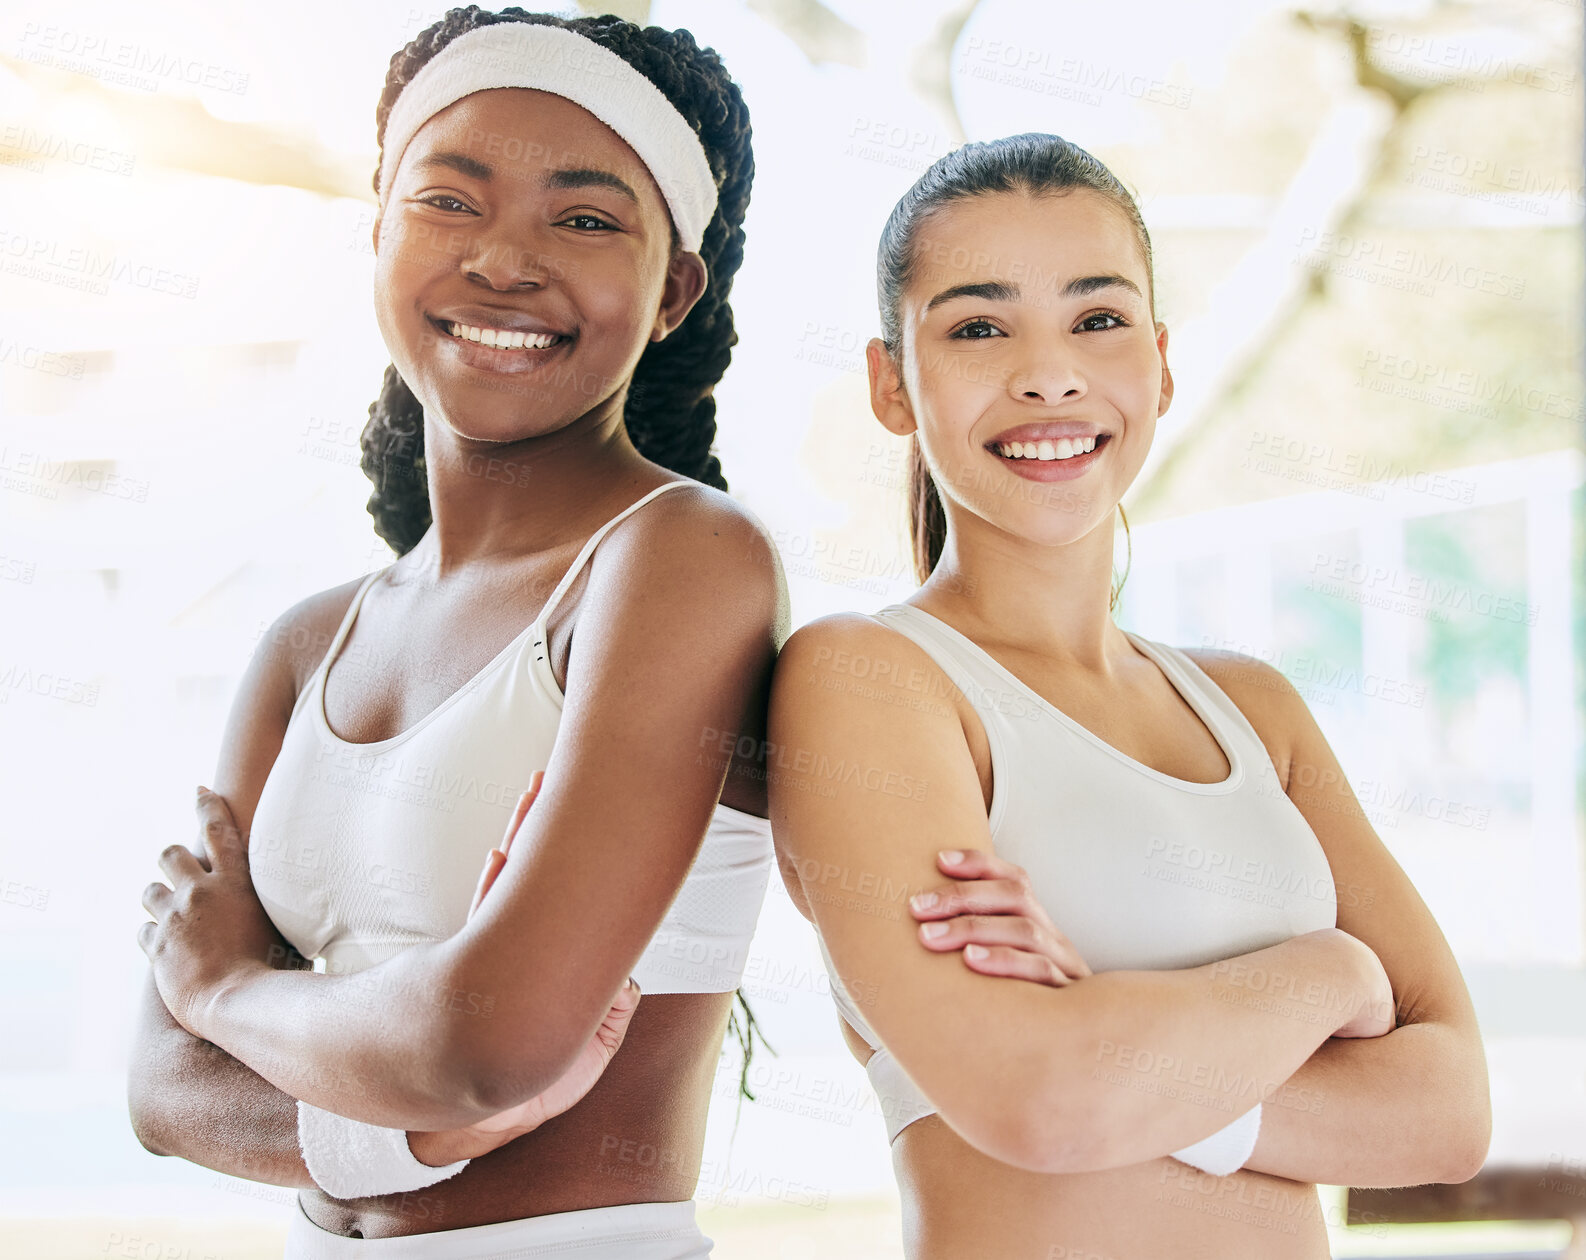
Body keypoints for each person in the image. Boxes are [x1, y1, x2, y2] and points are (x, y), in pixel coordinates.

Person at [128, 9, 787, 1258]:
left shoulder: (679, 560)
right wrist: (410, 1112)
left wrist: (223, 989)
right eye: (448, 202)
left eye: (584, 220)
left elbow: (488, 1045)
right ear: (374, 233)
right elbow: (163, 1096)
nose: (503, 262)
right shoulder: (305, 643)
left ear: (671, 294)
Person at [767, 132, 1491, 1259]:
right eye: (975, 327)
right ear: (889, 385)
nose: (1047, 373)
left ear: (1158, 362)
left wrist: (1127, 1044)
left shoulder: (1253, 710)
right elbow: (1042, 1101)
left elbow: (1446, 1114)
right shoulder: (867, 681)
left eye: (1094, 320)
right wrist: (1329, 974)